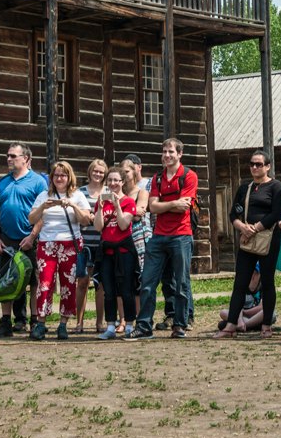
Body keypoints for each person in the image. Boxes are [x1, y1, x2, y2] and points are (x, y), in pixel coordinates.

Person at [133, 137, 198, 339]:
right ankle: (143, 326)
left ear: (180, 154)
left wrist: (165, 204)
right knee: (148, 281)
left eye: (171, 152)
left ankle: (179, 324)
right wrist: (172, 203)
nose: (167, 155)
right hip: (159, 235)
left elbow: (185, 206)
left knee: (180, 283)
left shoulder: (189, 176)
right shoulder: (157, 179)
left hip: (181, 235)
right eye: (164, 152)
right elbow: (152, 207)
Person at [222, 149, 281, 337]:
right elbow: (233, 214)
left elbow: (275, 213)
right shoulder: (244, 188)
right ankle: (231, 324)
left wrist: (255, 228)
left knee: (267, 282)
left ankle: (266, 325)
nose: (254, 167)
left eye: (258, 164)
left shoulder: (276, 187)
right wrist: (242, 227)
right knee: (240, 282)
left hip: (267, 239)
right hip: (247, 240)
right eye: (252, 164)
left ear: (268, 166)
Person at [0, 142, 48, 337]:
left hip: (29, 238)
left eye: (13, 156)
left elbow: (43, 213)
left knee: (34, 281)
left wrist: (32, 236)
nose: (9, 159)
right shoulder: (3, 182)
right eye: (8, 155)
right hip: (7, 239)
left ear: (26, 159)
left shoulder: (38, 182)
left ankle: (34, 322)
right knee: (6, 279)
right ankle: (6, 322)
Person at [27, 160, 91, 340]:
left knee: (68, 284)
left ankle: (63, 324)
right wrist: (43, 207)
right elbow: (31, 219)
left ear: (69, 177)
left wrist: (72, 205)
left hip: (70, 243)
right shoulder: (43, 195)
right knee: (45, 283)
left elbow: (86, 220)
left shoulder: (77, 195)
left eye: (63, 175)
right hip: (47, 243)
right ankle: (41, 323)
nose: (59, 178)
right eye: (56, 175)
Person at [93, 167, 140, 339]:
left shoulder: (128, 201)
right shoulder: (102, 202)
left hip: (124, 251)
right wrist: (99, 208)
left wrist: (117, 206)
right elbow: (98, 227)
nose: (112, 184)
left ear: (122, 182)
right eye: (110, 180)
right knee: (109, 290)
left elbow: (122, 224)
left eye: (116, 180)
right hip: (106, 251)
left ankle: (129, 324)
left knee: (126, 288)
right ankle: (110, 326)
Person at [75, 159, 109, 333]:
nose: (98, 174)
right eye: (95, 171)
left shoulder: (108, 192)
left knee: (100, 284)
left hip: (102, 243)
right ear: (89, 172)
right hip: (84, 242)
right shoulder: (80, 192)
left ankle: (99, 322)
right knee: (82, 282)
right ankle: (79, 322)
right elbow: (78, 215)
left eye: (101, 172)